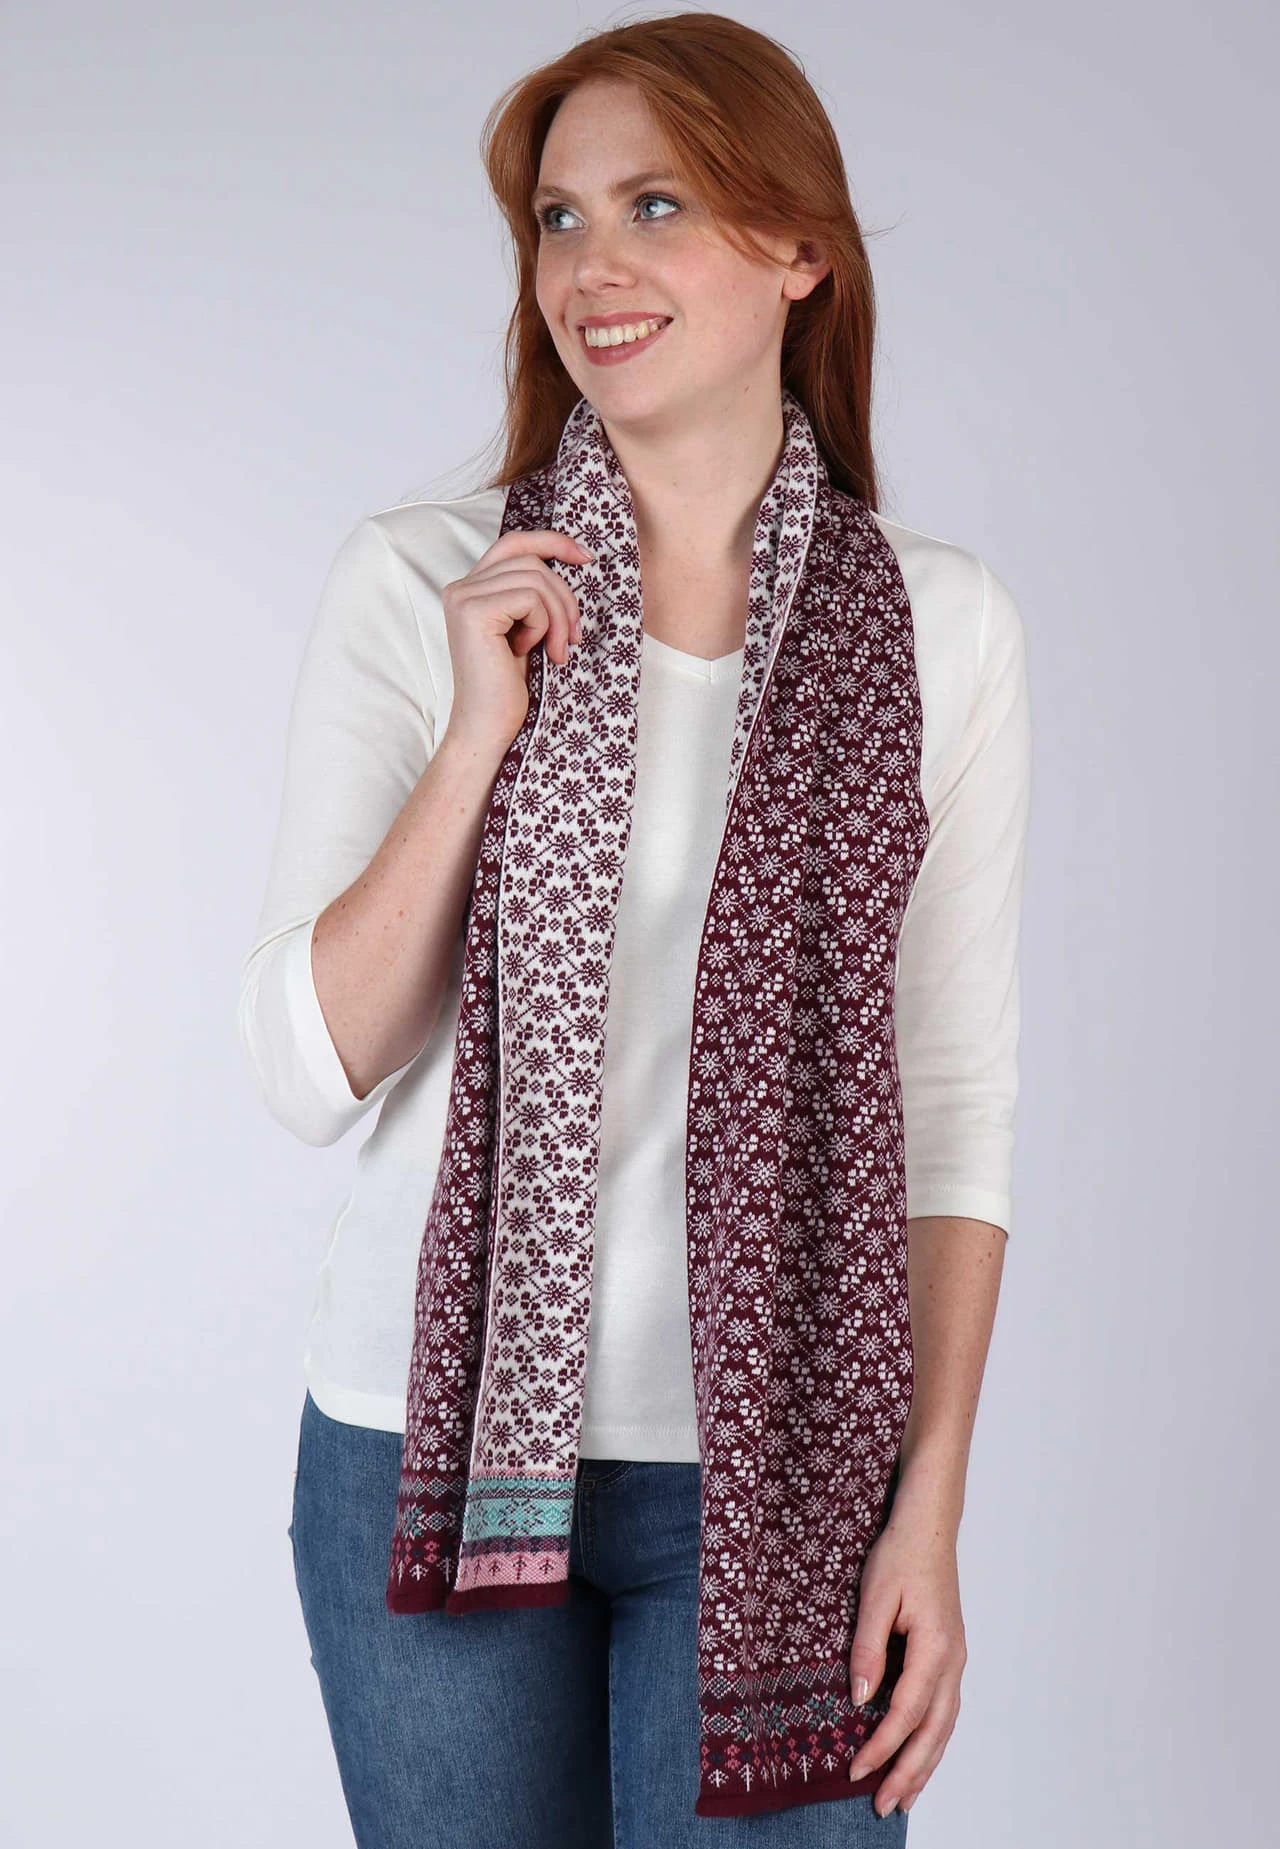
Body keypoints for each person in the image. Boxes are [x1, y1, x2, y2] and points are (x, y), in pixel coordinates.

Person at [237, 13, 1031, 1847]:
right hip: (424, 1448)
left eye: (656, 206)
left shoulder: (940, 630)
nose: (594, 265)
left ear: (798, 245)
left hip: (785, 1473)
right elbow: (308, 1065)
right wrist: (479, 740)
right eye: (561, 218)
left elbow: (954, 1109)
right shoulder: (423, 583)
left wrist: (931, 1506)